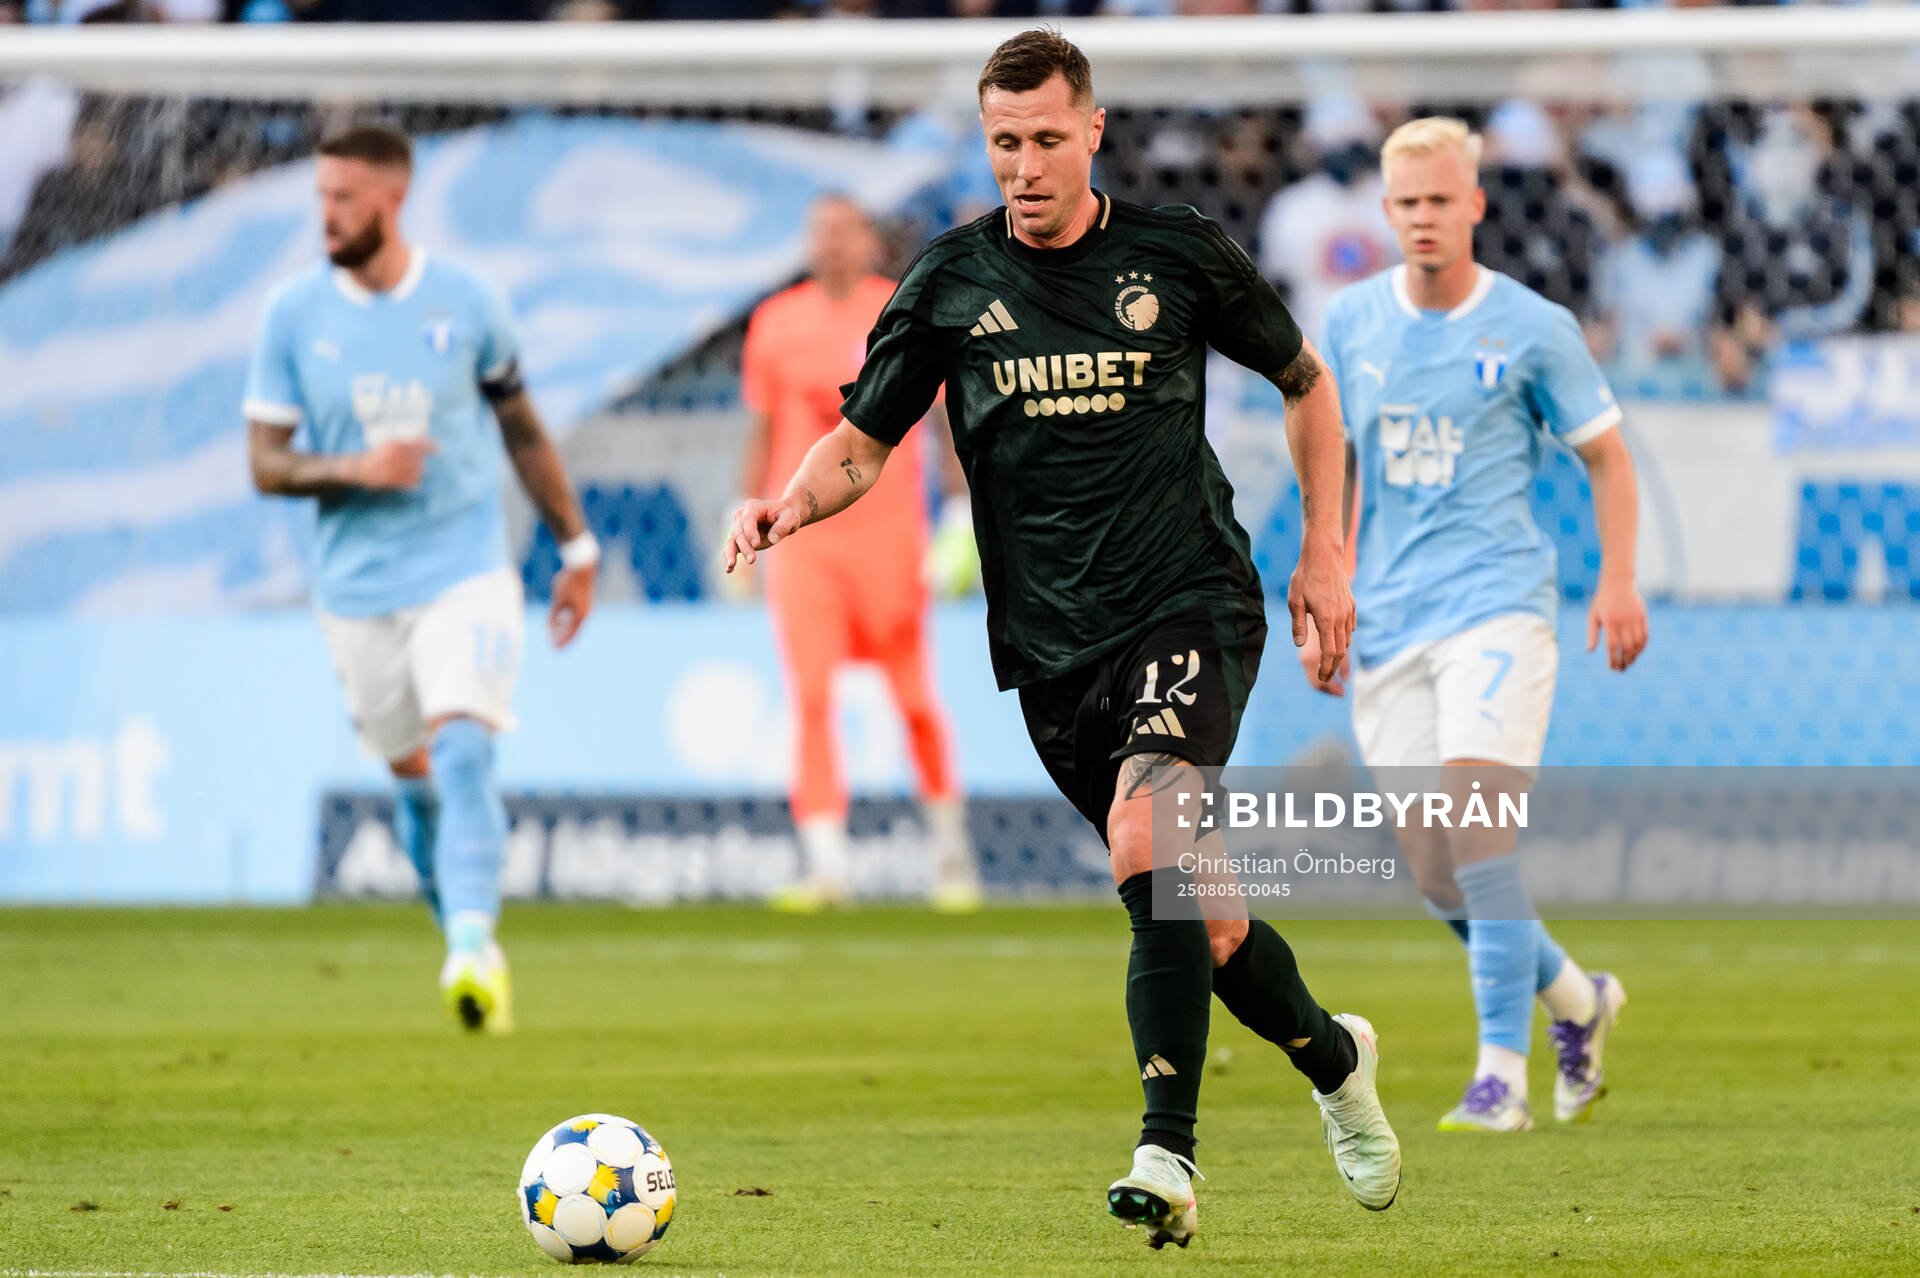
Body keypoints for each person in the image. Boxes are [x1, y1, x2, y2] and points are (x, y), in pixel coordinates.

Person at [725, 28, 1400, 1248]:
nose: (1025, 165)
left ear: (1093, 131)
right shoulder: (945, 284)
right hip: (1050, 647)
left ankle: (1169, 1156)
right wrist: (786, 504)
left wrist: (1325, 551)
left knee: (1153, 829)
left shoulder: (1178, 253)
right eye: (1003, 144)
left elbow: (1307, 381)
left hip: (1191, 599)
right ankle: (1335, 1063)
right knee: (1206, 914)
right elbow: (863, 445)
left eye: (1045, 138)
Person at [1310, 116, 1646, 1132]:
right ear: (1387, 209)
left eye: (1440, 202)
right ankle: (1579, 1002)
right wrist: (1327, 578)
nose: (1423, 218)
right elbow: (1340, 467)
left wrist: (1618, 581)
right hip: (1391, 619)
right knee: (1433, 868)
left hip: (1498, 607)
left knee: (1477, 830)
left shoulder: (1534, 326)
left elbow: (1608, 456)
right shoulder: (1350, 323)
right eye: (1406, 203)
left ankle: (1500, 1075)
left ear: (1475, 205)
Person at [245, 124, 597, 1034]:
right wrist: (359, 469)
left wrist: (577, 546)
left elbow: (522, 428)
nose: (327, 215)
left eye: (344, 199)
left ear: (392, 199)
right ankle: (465, 939)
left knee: (465, 753)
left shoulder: (467, 302)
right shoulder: (292, 315)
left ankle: (473, 946)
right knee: (413, 788)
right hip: (355, 592)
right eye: (320, 197)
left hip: (465, 570)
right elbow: (266, 464)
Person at [736, 192, 981, 911]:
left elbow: (943, 424)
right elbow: (761, 428)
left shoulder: (902, 310)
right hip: (804, 542)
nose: (831, 244)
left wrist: (960, 515)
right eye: (820, 232)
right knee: (809, 698)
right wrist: (741, 512)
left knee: (913, 699)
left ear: (871, 241)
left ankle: (951, 854)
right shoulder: (775, 323)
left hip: (887, 539)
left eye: (845, 232)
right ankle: (826, 866)